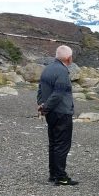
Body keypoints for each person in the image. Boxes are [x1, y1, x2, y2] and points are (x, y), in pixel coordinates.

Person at [37, 45, 77, 185]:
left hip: (51, 113)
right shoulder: (62, 71)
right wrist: (46, 106)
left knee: (54, 143)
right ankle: (60, 176)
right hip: (62, 112)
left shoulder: (47, 69)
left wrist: (42, 105)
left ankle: (53, 174)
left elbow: (40, 89)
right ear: (68, 58)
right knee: (62, 144)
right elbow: (59, 93)